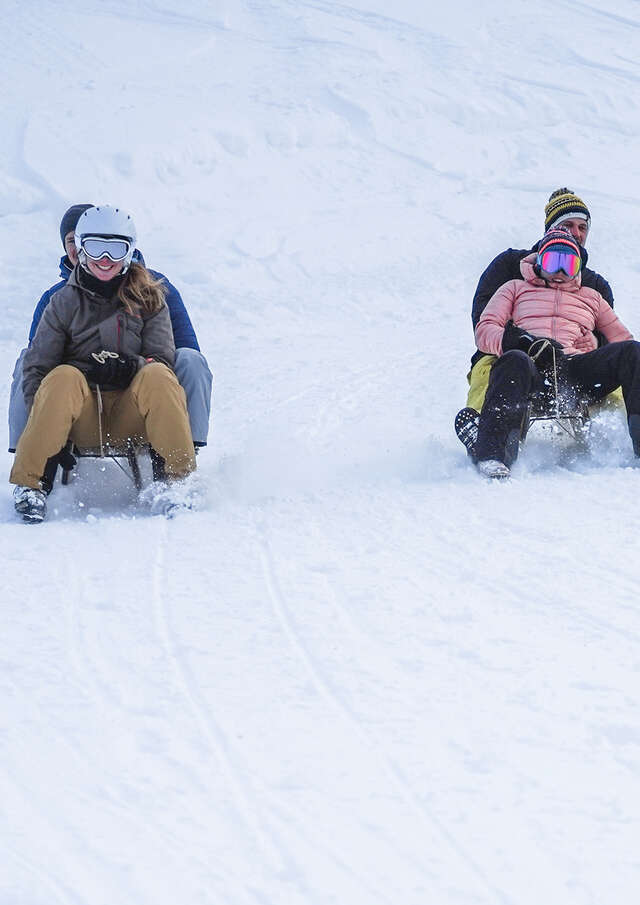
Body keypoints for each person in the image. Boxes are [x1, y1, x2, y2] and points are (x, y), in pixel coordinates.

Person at [10, 204, 196, 522]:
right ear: (80, 248)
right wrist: (44, 432)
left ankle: (176, 480)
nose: (105, 259)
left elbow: (162, 358)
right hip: (79, 416)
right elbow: (38, 369)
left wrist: (132, 366)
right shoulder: (62, 302)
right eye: (96, 248)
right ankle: (32, 483)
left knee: (158, 376)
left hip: (132, 414)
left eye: (115, 249)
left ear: (129, 252)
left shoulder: (150, 298)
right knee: (62, 375)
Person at [454, 188, 616, 455]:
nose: (576, 233)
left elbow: (609, 334)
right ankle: (483, 430)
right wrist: (521, 341)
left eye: (582, 227)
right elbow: (483, 319)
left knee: (615, 372)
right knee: (489, 367)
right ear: (549, 229)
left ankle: (616, 436)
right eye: (567, 225)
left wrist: (597, 340)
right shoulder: (509, 266)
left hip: (573, 362)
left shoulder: (594, 284)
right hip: (512, 355)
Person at [472, 227, 640, 479]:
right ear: (539, 261)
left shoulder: (592, 297)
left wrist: (595, 344)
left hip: (574, 370)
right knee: (513, 361)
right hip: (531, 372)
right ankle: (492, 455)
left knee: (633, 353)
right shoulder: (515, 288)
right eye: (553, 262)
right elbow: (485, 330)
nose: (561, 272)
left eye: (569, 264)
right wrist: (519, 343)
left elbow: (622, 340)